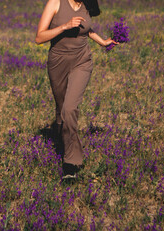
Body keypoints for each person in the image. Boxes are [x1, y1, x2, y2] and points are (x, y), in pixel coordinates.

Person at [35, 0, 117, 180]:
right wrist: (64, 26)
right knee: (61, 112)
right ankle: (61, 134)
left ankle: (71, 163)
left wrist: (103, 42)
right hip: (58, 63)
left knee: (70, 108)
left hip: (82, 61)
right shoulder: (55, 3)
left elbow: (87, 29)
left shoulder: (87, 4)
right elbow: (39, 37)